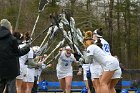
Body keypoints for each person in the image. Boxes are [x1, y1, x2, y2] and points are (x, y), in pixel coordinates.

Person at [0, 19, 30, 93]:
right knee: (11, 89)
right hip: (11, 69)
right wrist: (27, 48)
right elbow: (18, 52)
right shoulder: (12, 39)